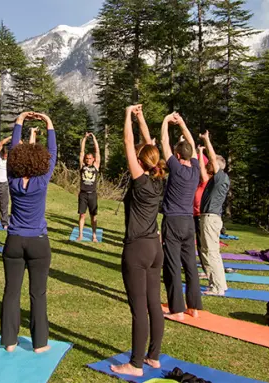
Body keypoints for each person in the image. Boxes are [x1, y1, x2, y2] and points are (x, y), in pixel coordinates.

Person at [110, 104, 166, 377]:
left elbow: (129, 142)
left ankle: (135, 364)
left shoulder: (141, 180)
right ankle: (153, 357)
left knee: (138, 309)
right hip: (156, 248)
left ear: (141, 162)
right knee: (154, 304)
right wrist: (141, 118)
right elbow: (147, 144)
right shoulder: (158, 177)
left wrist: (127, 115)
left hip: (138, 249)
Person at [0, 111, 57, 354]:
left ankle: (10, 342)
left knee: (11, 292)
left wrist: (20, 120)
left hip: (14, 240)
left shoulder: (12, 178)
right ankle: (39, 343)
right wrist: (49, 123)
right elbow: (52, 153)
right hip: (38, 243)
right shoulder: (42, 180)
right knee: (38, 294)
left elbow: (14, 150)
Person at [160, 112, 202, 320]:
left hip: (173, 221)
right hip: (188, 222)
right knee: (190, 265)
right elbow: (192, 143)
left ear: (177, 156)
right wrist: (183, 123)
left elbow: (163, 141)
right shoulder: (195, 169)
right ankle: (193, 308)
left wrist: (166, 122)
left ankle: (177, 310)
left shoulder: (175, 168)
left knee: (173, 265)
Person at [198, 131, 231, 295]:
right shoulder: (217, 179)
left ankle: (217, 288)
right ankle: (220, 284)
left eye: (212, 163)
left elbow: (212, 158)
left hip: (210, 218)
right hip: (211, 217)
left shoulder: (220, 177)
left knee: (210, 253)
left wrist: (206, 140)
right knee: (212, 253)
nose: (209, 164)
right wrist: (199, 152)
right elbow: (204, 167)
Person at [76, 132, 101, 242]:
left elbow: (97, 151)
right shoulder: (82, 166)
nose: (88, 160)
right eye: (86, 158)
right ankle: (80, 235)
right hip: (83, 194)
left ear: (93, 159)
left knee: (93, 216)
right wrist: (85, 138)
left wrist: (94, 138)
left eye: (90, 158)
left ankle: (94, 236)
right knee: (82, 215)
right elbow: (81, 152)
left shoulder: (96, 166)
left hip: (92, 194)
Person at [193, 146, 211, 278]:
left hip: (201, 216)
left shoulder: (206, 181)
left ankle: (207, 270)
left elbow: (201, 166)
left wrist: (200, 152)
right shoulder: (197, 182)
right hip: (193, 215)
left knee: (202, 245)